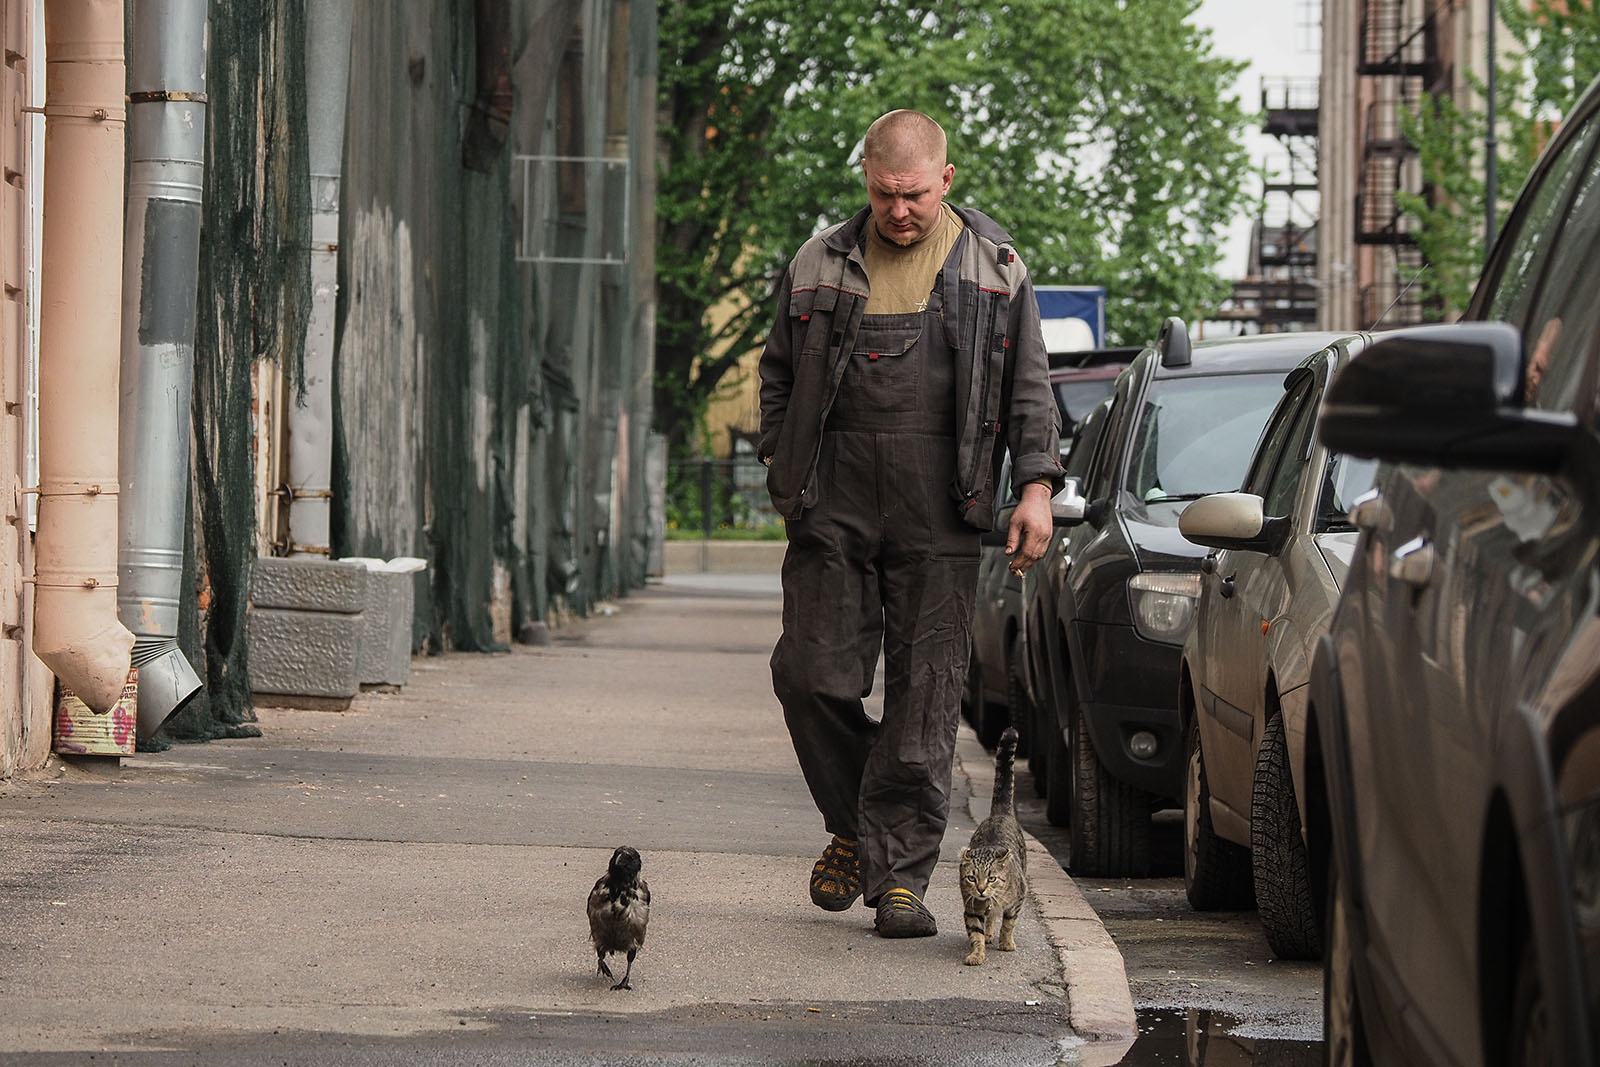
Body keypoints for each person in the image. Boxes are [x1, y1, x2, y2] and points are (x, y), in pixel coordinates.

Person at [756, 109, 1063, 938]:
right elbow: (777, 376)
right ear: (866, 179)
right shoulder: (819, 261)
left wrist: (1035, 486)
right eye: (886, 194)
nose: (900, 211)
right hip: (835, 501)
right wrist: (787, 475)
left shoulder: (996, 270)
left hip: (945, 505)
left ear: (947, 180)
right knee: (809, 676)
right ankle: (860, 822)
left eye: (916, 195)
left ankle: (901, 876)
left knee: (926, 697)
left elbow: (1028, 388)